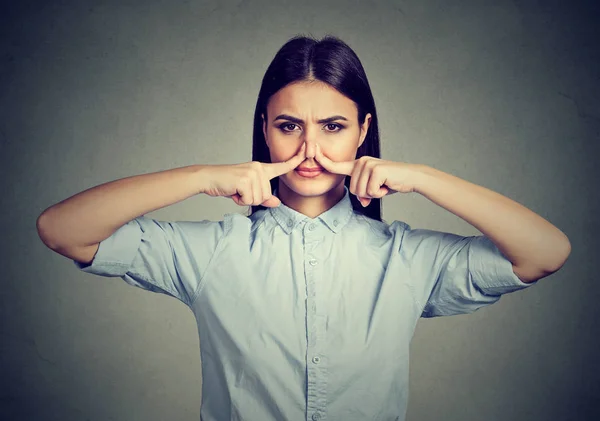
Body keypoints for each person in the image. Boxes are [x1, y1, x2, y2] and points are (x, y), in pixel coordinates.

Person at [36, 34, 571, 421]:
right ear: (264, 130)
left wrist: (423, 177)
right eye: (289, 126)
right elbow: (63, 229)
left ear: (364, 131)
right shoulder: (211, 252)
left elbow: (545, 252)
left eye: (333, 127)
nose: (309, 151)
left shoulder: (407, 259)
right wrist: (201, 177)